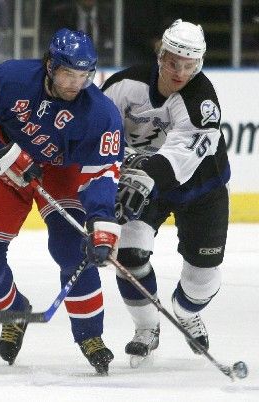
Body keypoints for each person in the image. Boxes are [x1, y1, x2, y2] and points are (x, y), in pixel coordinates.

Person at [0, 28, 124, 375]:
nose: (76, 83)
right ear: (50, 66)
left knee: (72, 249)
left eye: (84, 75)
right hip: (5, 166)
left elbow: (102, 173)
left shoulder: (101, 114)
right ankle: (16, 313)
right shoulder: (11, 78)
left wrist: (101, 225)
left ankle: (91, 335)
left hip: (63, 172)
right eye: (68, 73)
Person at [101, 19, 230, 366]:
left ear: (199, 65)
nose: (180, 72)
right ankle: (146, 327)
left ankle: (186, 312)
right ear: (161, 55)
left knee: (201, 278)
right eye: (173, 61)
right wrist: (109, 178)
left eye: (189, 65)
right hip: (146, 185)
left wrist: (144, 176)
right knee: (129, 255)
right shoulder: (123, 86)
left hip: (202, 188)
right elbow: (98, 133)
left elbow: (181, 153)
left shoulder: (201, 99)